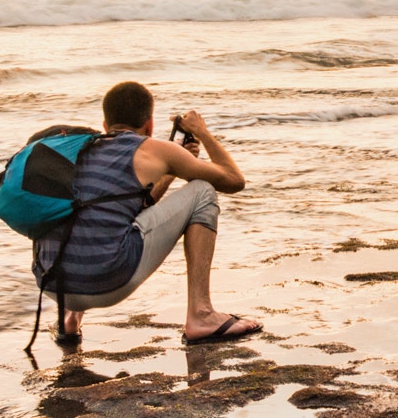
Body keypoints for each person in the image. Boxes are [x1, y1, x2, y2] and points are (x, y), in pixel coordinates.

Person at [34, 81, 259, 348]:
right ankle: (201, 315)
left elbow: (136, 206)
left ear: (105, 125)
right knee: (202, 191)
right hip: (107, 283)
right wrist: (201, 131)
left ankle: (70, 318)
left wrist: (171, 169)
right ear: (150, 125)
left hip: (52, 285)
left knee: (89, 211)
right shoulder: (153, 149)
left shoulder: (79, 150)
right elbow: (234, 180)